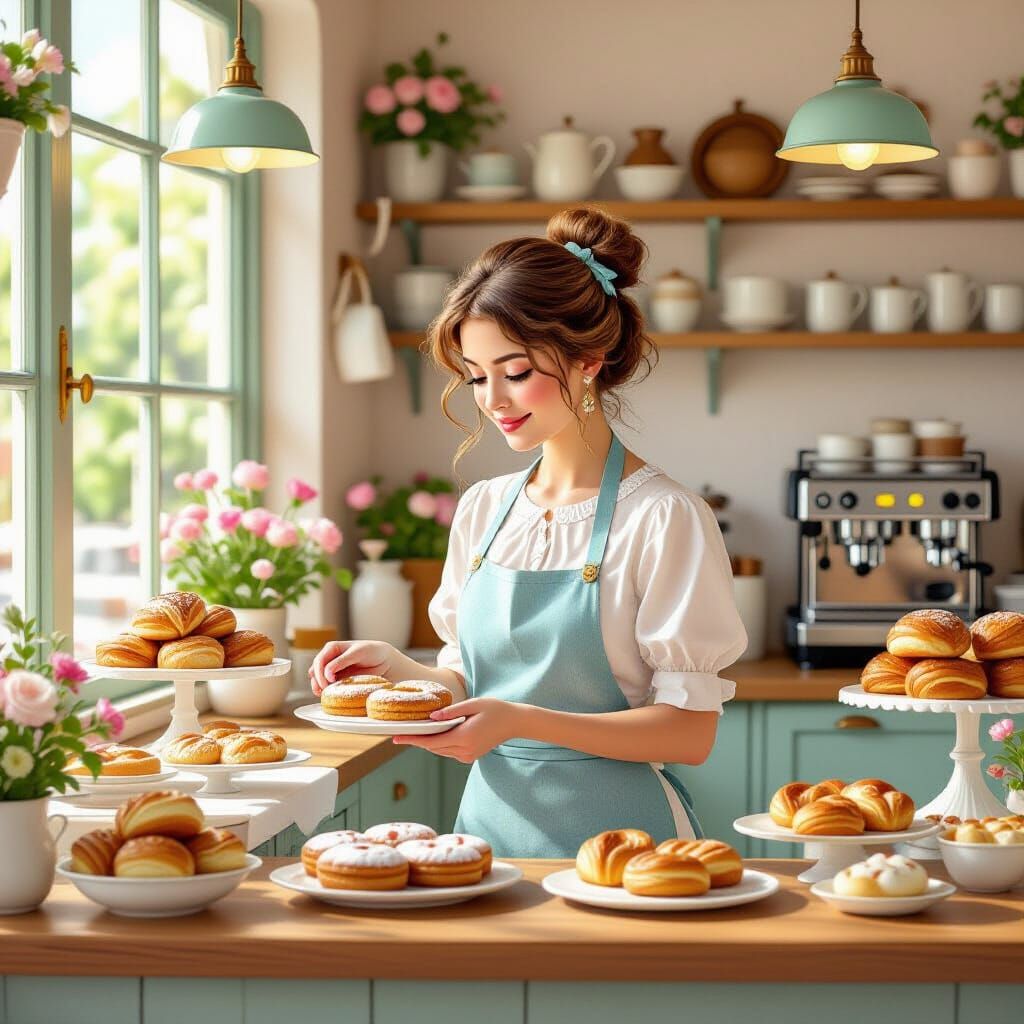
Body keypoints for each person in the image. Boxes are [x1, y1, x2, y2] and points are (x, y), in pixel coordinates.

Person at [311, 206, 746, 858]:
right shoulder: (484, 510)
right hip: (486, 840)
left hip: (629, 851)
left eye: (515, 373)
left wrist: (519, 721)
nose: (493, 400)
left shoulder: (664, 517)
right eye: (476, 376)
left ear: (588, 360)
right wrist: (395, 669)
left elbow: (689, 734)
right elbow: (469, 680)